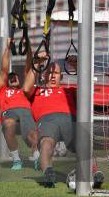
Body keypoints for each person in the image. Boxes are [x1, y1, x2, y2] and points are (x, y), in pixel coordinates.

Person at [23, 54, 76, 187]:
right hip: (47, 119)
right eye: (49, 73)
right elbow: (25, 88)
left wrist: (77, 66)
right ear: (43, 76)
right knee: (46, 144)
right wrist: (36, 63)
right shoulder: (37, 91)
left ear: (61, 77)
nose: (52, 76)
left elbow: (87, 89)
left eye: (56, 73)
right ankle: (48, 172)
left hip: (69, 118)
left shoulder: (70, 90)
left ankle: (94, 173)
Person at [0, 38, 39, 170]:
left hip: (25, 112)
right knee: (8, 125)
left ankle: (37, 157)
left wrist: (29, 46)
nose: (13, 77)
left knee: (32, 135)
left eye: (15, 76)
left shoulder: (24, 91)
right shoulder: (3, 90)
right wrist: (8, 48)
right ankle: (16, 160)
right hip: (9, 113)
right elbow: (4, 69)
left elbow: (29, 67)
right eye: (10, 77)